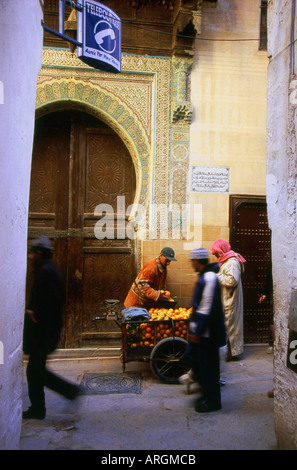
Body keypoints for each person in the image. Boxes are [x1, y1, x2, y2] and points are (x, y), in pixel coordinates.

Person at [23, 236, 80, 420]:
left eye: (33, 252)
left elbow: (51, 301)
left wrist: (35, 314)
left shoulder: (46, 271)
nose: (30, 256)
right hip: (43, 332)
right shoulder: (46, 269)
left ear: (40, 253)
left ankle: (68, 392)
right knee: (35, 371)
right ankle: (39, 408)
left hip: (43, 333)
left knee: (36, 371)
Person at [185, 248, 226, 413]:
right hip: (202, 332)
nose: (191, 263)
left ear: (197, 261)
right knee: (198, 363)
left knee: (208, 368)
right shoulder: (205, 276)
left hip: (207, 334)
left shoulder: (209, 277)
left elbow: (206, 307)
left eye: (192, 260)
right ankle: (206, 395)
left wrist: (197, 331)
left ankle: (213, 402)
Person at [210, 239, 246, 361]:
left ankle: (229, 354)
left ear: (221, 251)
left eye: (216, 253)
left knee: (229, 328)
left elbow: (232, 280)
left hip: (230, 300)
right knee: (226, 327)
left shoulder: (232, 262)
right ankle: (227, 353)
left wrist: (216, 276)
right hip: (225, 299)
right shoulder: (226, 261)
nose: (215, 256)